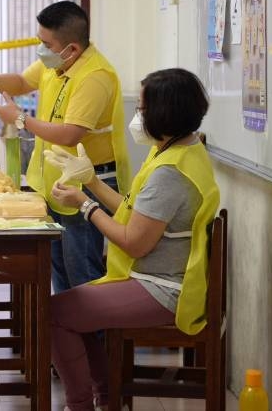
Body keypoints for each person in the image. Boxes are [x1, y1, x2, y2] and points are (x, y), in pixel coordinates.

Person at [45, 68, 220, 411]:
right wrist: (92, 182)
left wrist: (85, 206)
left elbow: (134, 242)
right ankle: (107, 397)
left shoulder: (170, 172)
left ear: (163, 113)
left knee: (53, 312)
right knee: (68, 310)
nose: (138, 117)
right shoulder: (181, 151)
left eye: (142, 109)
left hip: (163, 289)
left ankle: (81, 403)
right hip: (159, 278)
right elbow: (132, 210)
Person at [0, 1, 130, 292]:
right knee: (61, 273)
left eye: (45, 44)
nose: (40, 50)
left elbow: (71, 134)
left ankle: (93, 337)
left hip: (87, 184)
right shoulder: (55, 62)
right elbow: (20, 81)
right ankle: (68, 335)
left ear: (72, 49)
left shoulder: (95, 76)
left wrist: (19, 119)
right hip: (55, 182)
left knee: (83, 273)